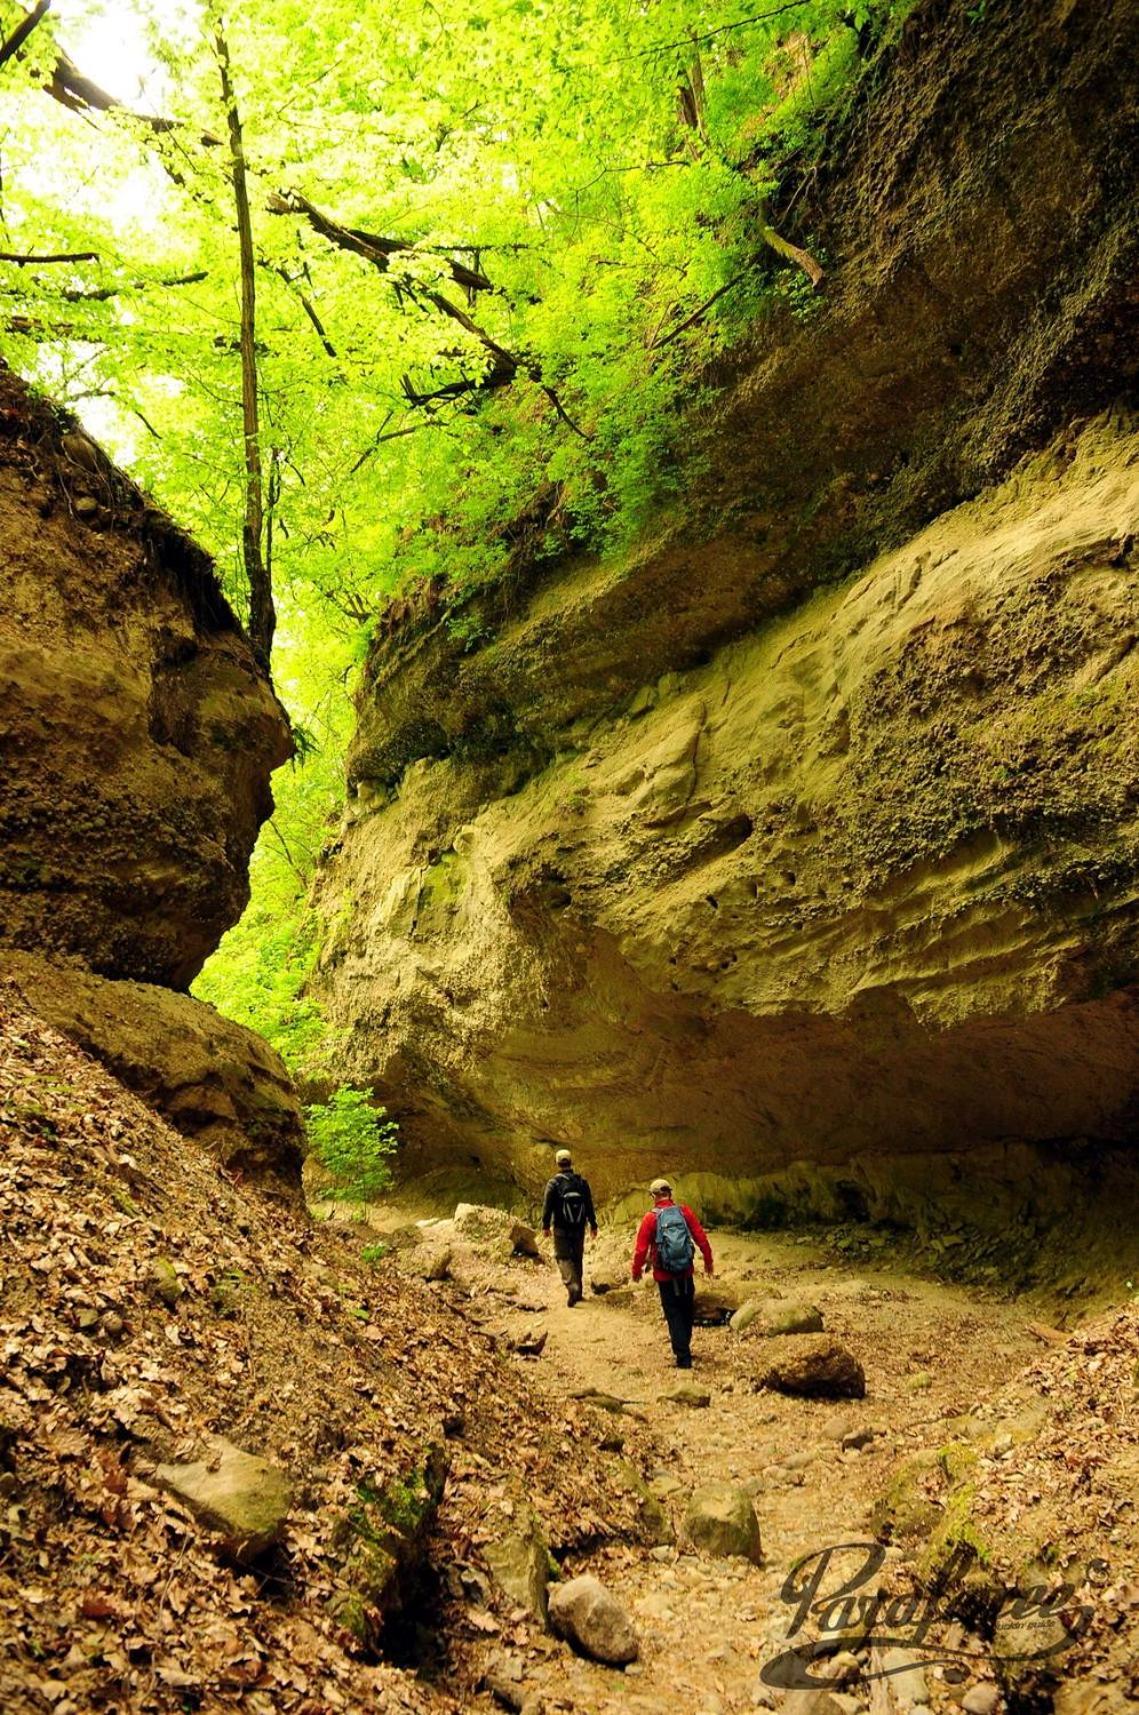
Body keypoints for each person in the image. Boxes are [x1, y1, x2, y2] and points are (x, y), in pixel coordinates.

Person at [631, 1177, 713, 1368]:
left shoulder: (650, 1218)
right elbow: (700, 1237)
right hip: (685, 1271)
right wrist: (708, 1261)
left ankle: (683, 1357)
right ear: (670, 1193)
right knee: (686, 1309)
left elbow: (641, 1249)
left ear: (654, 1196)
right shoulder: (684, 1212)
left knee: (673, 1313)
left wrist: (636, 1271)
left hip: (664, 1276)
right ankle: (684, 1345)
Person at [542, 1148, 598, 1306]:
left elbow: (547, 1206)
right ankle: (578, 1292)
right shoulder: (582, 1182)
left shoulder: (553, 1183)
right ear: (570, 1162)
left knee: (562, 1257)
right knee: (577, 1258)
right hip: (579, 1228)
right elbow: (589, 1205)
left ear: (557, 1163)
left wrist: (545, 1225)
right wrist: (593, 1224)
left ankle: (571, 1285)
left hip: (560, 1229)